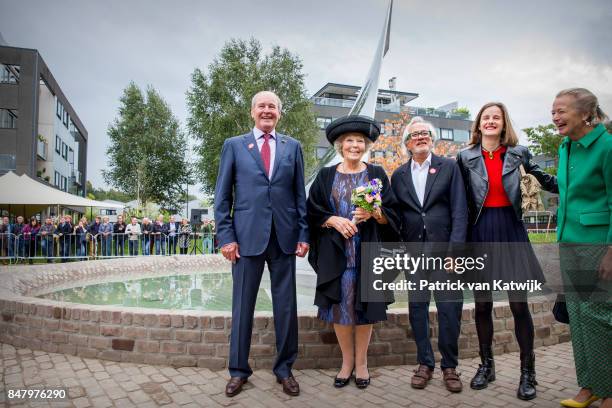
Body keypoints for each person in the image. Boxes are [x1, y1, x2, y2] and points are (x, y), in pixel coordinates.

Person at [456, 102, 558, 401]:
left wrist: (572, 183)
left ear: (503, 123)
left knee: (518, 305)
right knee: (483, 305)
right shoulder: (464, 157)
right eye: (486, 117)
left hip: (511, 230)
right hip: (480, 231)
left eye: (496, 117)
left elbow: (545, 179)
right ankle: (487, 366)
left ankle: (529, 373)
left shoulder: (519, 153)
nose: (490, 121)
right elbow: (460, 204)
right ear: (479, 124)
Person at [214, 90, 309, 398]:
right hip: (244, 240)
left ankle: (284, 369)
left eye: (272, 106)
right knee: (242, 307)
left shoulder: (292, 147)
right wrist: (226, 237)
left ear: (279, 113)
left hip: (284, 238)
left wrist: (303, 234)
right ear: (252, 112)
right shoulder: (234, 146)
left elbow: (299, 198)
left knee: (286, 307)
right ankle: (238, 370)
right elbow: (222, 197)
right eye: (261, 106)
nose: (267, 110)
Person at [307, 115, 399, 390]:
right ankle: (346, 363)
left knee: (364, 310)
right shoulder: (326, 176)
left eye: (360, 141)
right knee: (341, 309)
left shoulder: (377, 174)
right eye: (350, 141)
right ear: (340, 145)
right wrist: (332, 220)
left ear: (367, 145)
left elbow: (393, 214)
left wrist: (376, 213)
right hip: (337, 254)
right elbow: (313, 211)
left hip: (367, 252)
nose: (355, 145)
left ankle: (362, 364)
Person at [391, 117, 468, 392]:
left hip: (445, 252)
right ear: (407, 143)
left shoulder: (449, 167)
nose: (421, 137)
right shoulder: (398, 175)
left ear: (432, 140)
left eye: (425, 133)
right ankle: (425, 363)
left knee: (449, 309)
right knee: (417, 309)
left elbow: (460, 211)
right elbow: (397, 215)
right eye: (415, 135)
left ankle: (450, 366)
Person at [551, 88, 612, 408]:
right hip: (569, 241)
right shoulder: (565, 147)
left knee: (599, 315)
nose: (555, 117)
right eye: (553, 112)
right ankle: (588, 386)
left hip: (597, 243)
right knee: (578, 314)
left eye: (562, 111)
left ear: (585, 114)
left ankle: (610, 390)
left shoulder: (607, 146)